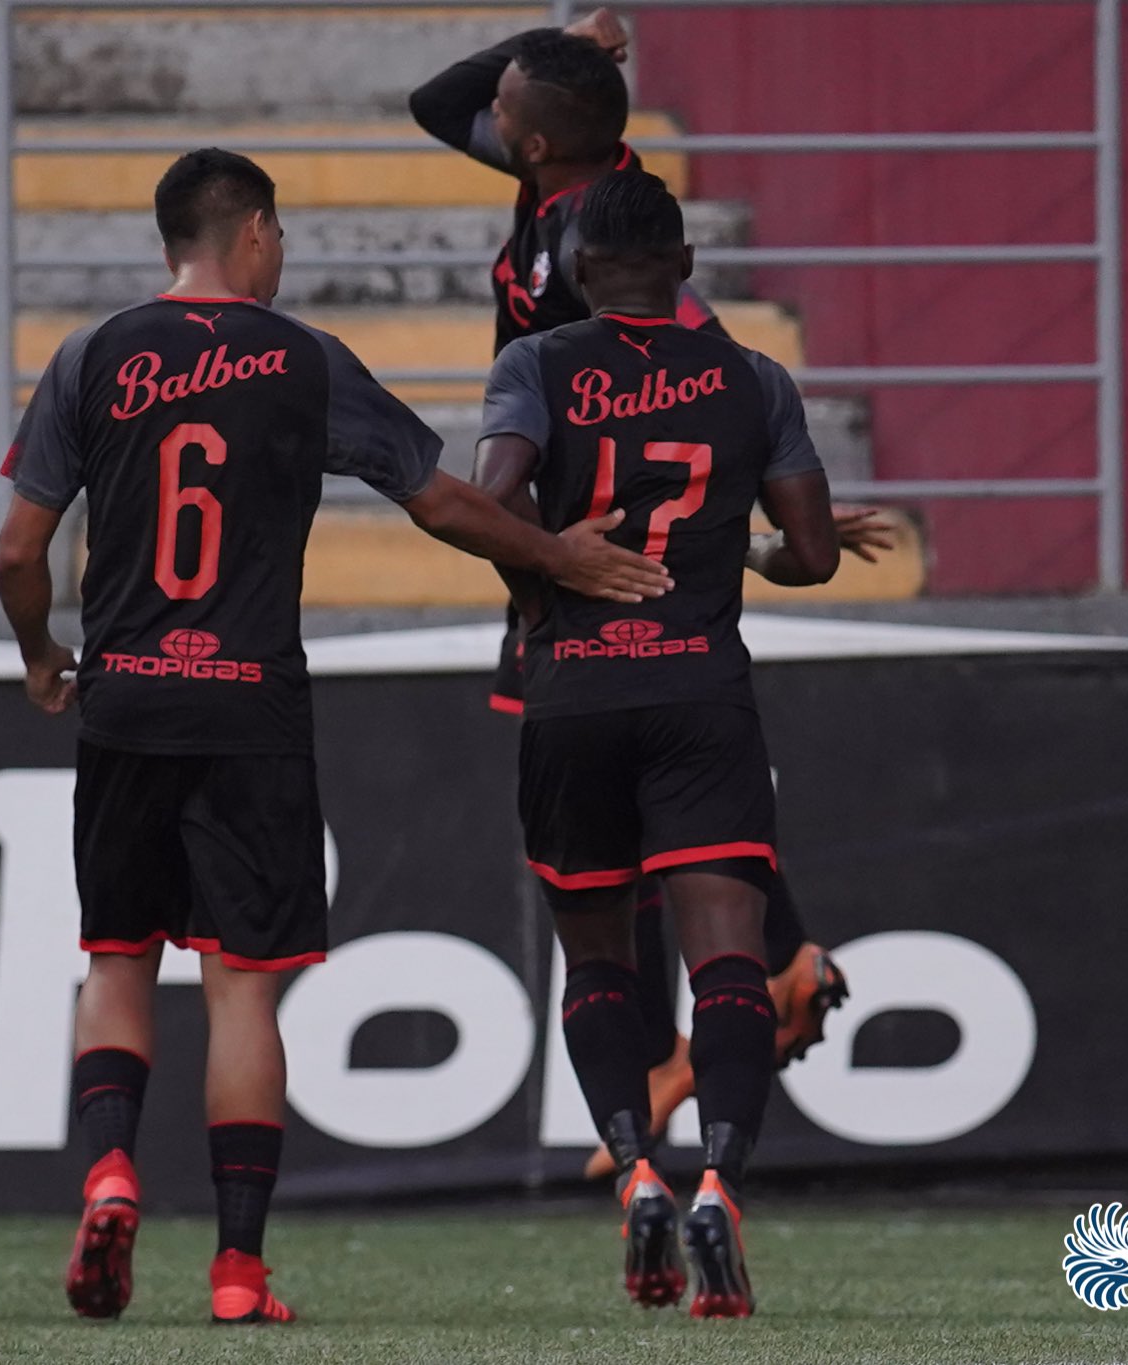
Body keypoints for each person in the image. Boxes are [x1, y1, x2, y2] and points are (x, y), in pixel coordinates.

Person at [0, 148, 667, 1327]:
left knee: (116, 960)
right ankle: (237, 1274)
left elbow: (15, 549)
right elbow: (439, 499)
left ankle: (108, 1176)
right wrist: (555, 555)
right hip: (250, 704)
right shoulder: (302, 357)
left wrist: (42, 655)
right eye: (280, 234)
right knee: (242, 994)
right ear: (252, 231)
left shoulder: (88, 355)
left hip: (128, 699)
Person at [414, 7, 869, 1167]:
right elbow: (436, 103)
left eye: (508, 103)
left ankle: (741, 990)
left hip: (591, 557)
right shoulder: (557, 181)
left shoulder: (598, 228)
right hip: (583, 546)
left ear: (529, 140)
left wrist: (727, 487)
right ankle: (750, 988)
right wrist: (556, 43)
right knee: (663, 794)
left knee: (629, 806)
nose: (488, 112)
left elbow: (687, 347)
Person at [474, 168, 840, 1317]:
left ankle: (637, 1173)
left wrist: (549, 577)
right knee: (727, 960)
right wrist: (746, 550)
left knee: (598, 964)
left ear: (579, 269)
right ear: (684, 267)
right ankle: (719, 1185)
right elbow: (812, 554)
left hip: (573, 694)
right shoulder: (752, 377)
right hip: (699, 695)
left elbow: (488, 500)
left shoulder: (535, 363)